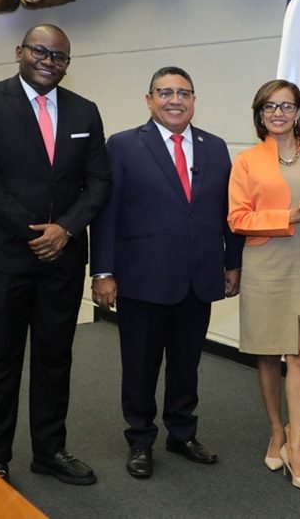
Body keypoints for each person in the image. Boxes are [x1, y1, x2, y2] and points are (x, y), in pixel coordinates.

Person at [0, 24, 111, 485]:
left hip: (62, 258)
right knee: (1, 355)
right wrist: (35, 231)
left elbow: (99, 181)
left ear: (68, 63)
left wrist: (64, 229)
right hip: (3, 254)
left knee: (54, 356)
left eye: (60, 56)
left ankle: (49, 450)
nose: (49, 61)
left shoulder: (85, 111)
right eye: (40, 51)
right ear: (19, 51)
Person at [90, 67, 243, 479]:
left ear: (194, 100)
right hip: (142, 277)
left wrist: (233, 262)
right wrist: (102, 271)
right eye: (165, 92)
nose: (175, 100)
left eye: (184, 93)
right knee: (140, 365)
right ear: (149, 99)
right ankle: (140, 439)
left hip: (199, 276)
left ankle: (182, 433)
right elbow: (106, 213)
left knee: (186, 363)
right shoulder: (122, 145)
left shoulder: (215, 147)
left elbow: (227, 213)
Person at [227, 79, 300, 492]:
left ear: (298, 113)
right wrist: (288, 215)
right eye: (269, 107)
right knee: (269, 354)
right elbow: (237, 219)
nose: (278, 113)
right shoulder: (247, 161)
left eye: (286, 106)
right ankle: (276, 429)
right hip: (265, 261)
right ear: (260, 114)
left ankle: (297, 448)